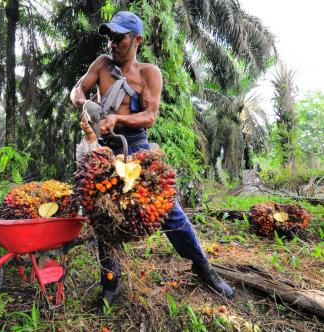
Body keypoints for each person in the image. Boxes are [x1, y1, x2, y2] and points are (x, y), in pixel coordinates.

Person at [70, 11, 234, 305]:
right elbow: (78, 88)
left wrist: (117, 118)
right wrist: (81, 100)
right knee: (104, 214)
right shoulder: (102, 65)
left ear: (137, 40)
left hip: (136, 149)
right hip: (105, 151)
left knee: (169, 210)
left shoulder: (148, 73)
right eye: (110, 37)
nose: (112, 43)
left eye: (119, 37)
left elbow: (149, 116)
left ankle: (204, 268)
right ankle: (110, 285)